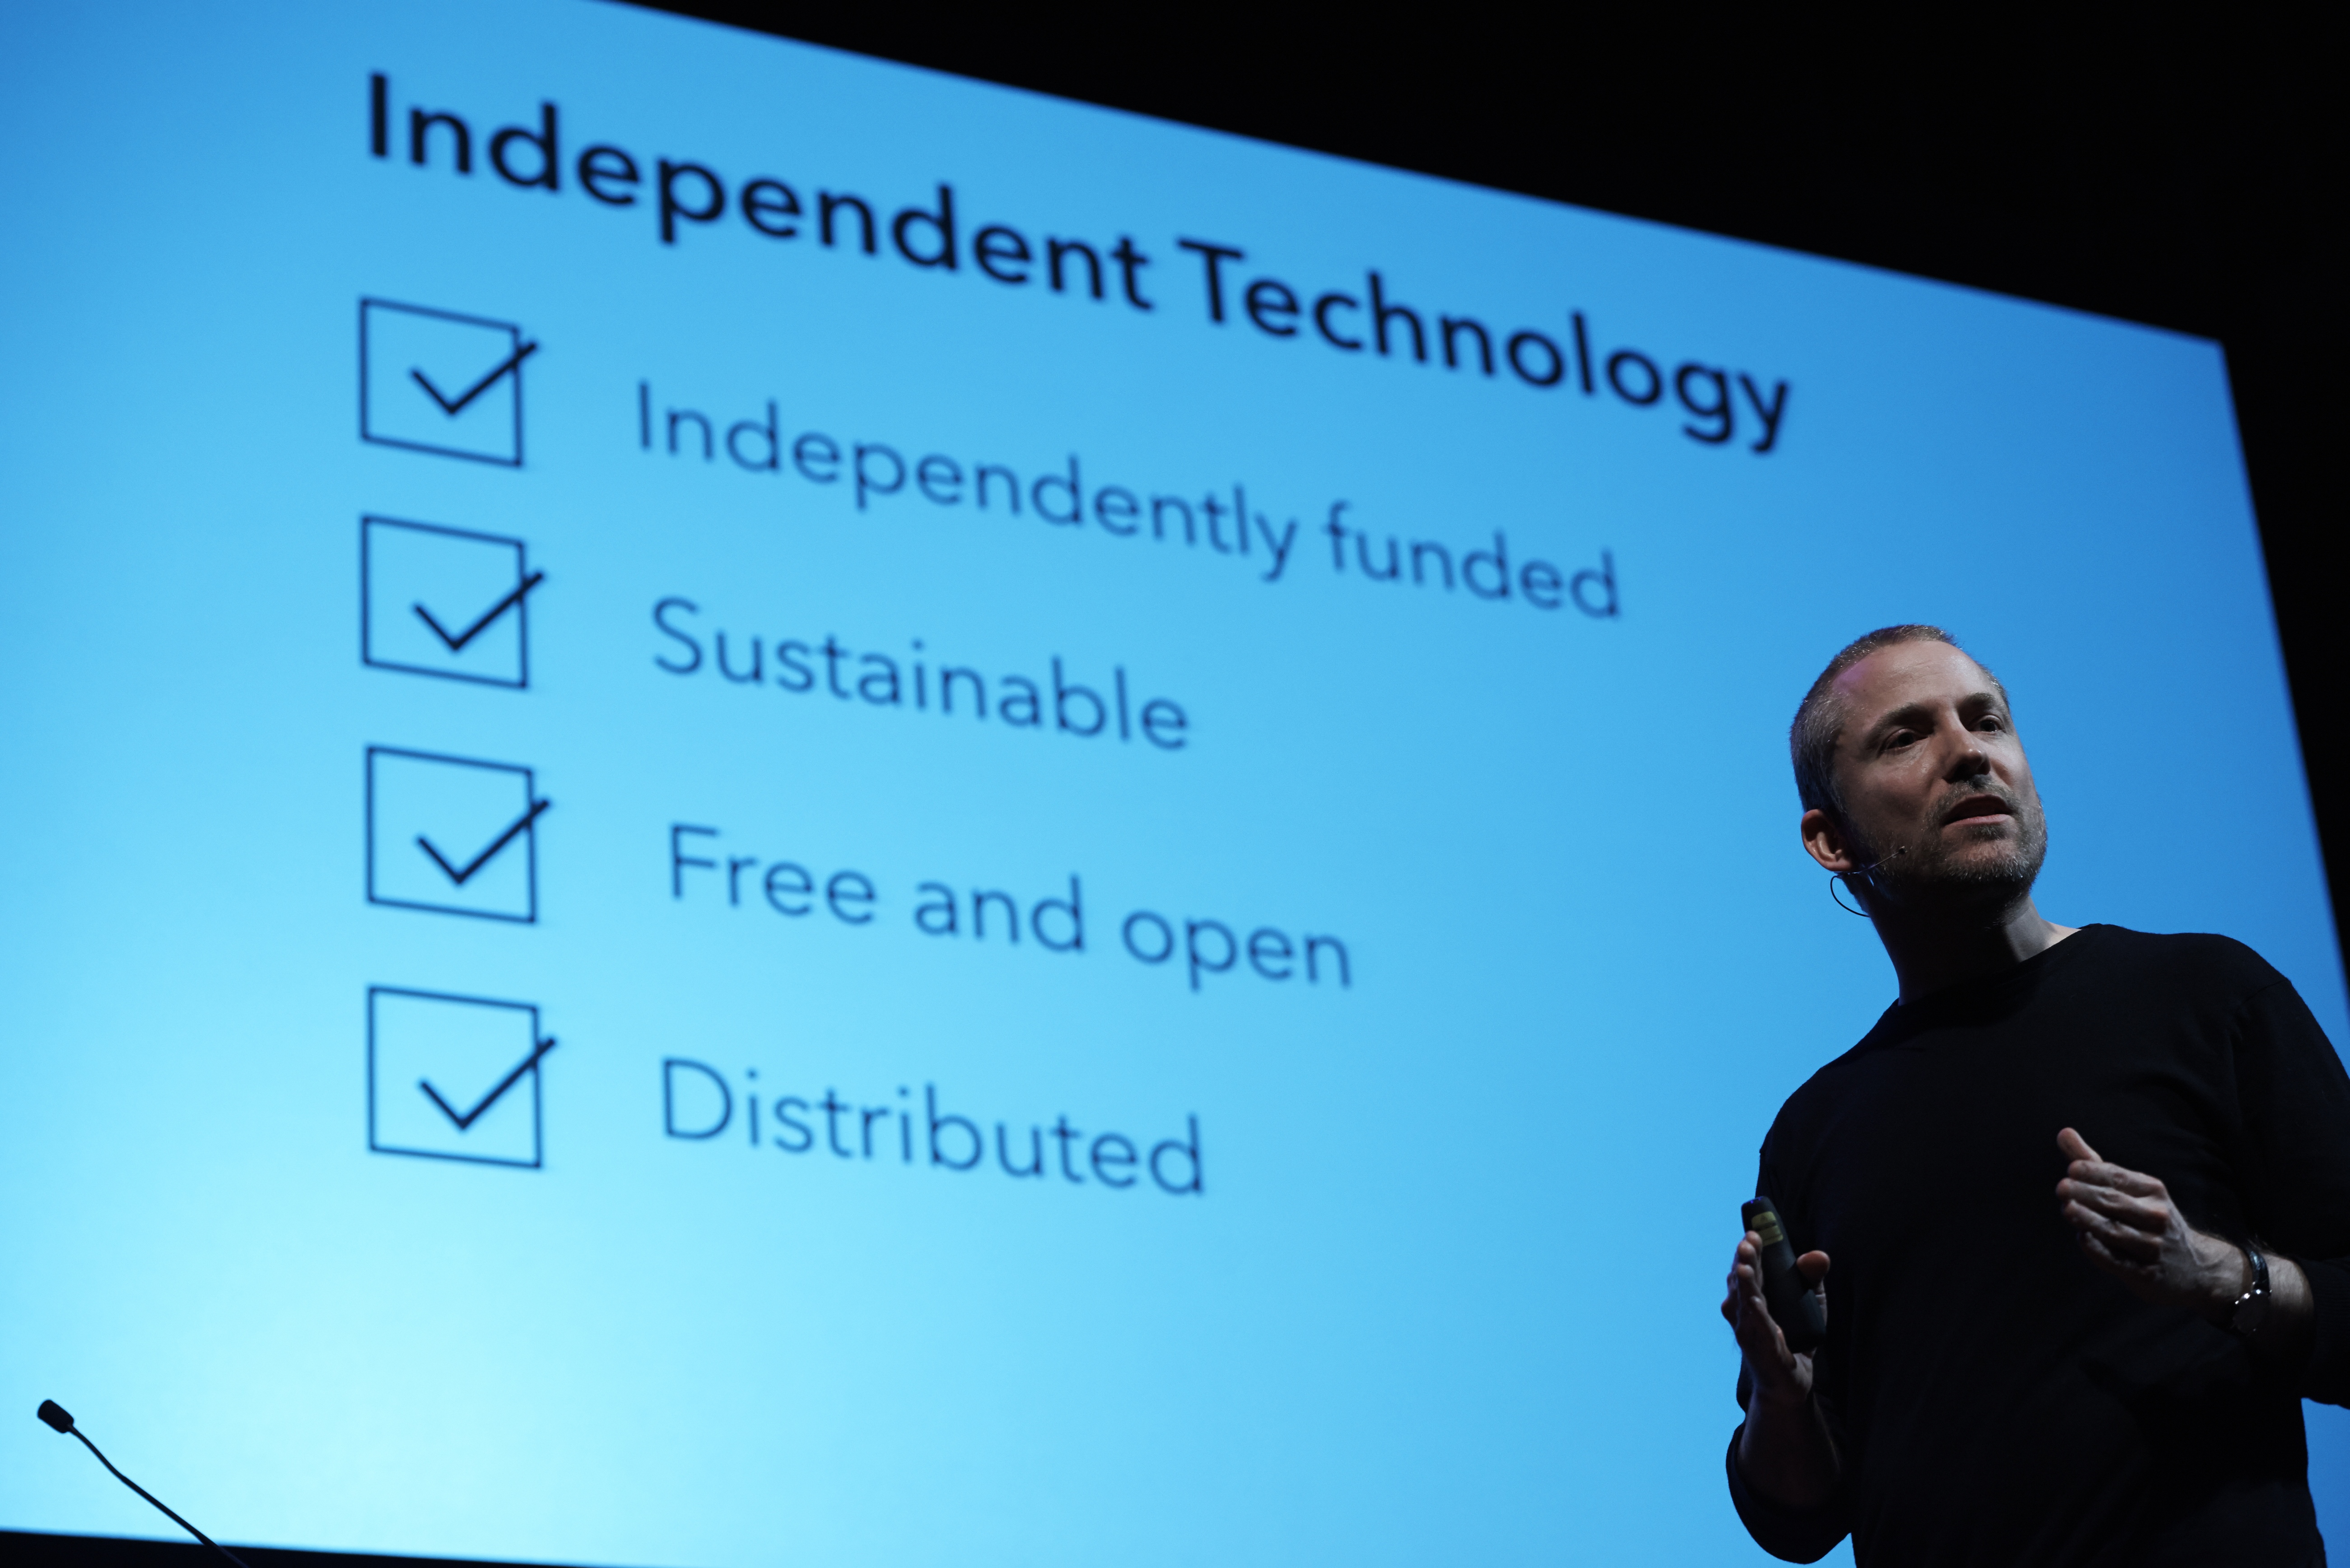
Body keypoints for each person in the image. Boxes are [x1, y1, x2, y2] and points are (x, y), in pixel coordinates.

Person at [1721, 624, 2350, 1565]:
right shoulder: (1814, 1130)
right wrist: (1779, 1401)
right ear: (1830, 838)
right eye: (1906, 736)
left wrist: (2222, 1278)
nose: (1969, 752)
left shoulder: (2209, 997)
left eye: (1987, 721)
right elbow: (1799, 1517)